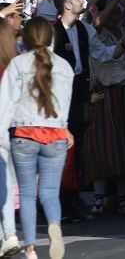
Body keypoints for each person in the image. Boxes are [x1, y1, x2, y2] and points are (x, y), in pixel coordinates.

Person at [0, 18, 73, 259]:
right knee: (50, 192)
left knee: (28, 194)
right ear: (51, 38)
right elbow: (65, 105)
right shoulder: (64, 66)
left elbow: (6, 104)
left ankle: (30, 249)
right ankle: (55, 225)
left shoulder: (17, 64)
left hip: (24, 134)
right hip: (56, 134)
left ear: (27, 38)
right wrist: (65, 128)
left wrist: (1, 136)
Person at [83, 0, 125, 216]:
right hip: (106, 93)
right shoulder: (96, 38)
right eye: (113, 13)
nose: (118, 17)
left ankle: (122, 199)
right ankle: (99, 198)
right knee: (102, 147)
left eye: (119, 13)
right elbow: (103, 67)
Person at [0, 20, 20, 256]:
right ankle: (10, 234)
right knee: (6, 184)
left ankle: (8, 234)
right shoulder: (16, 65)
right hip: (14, 130)